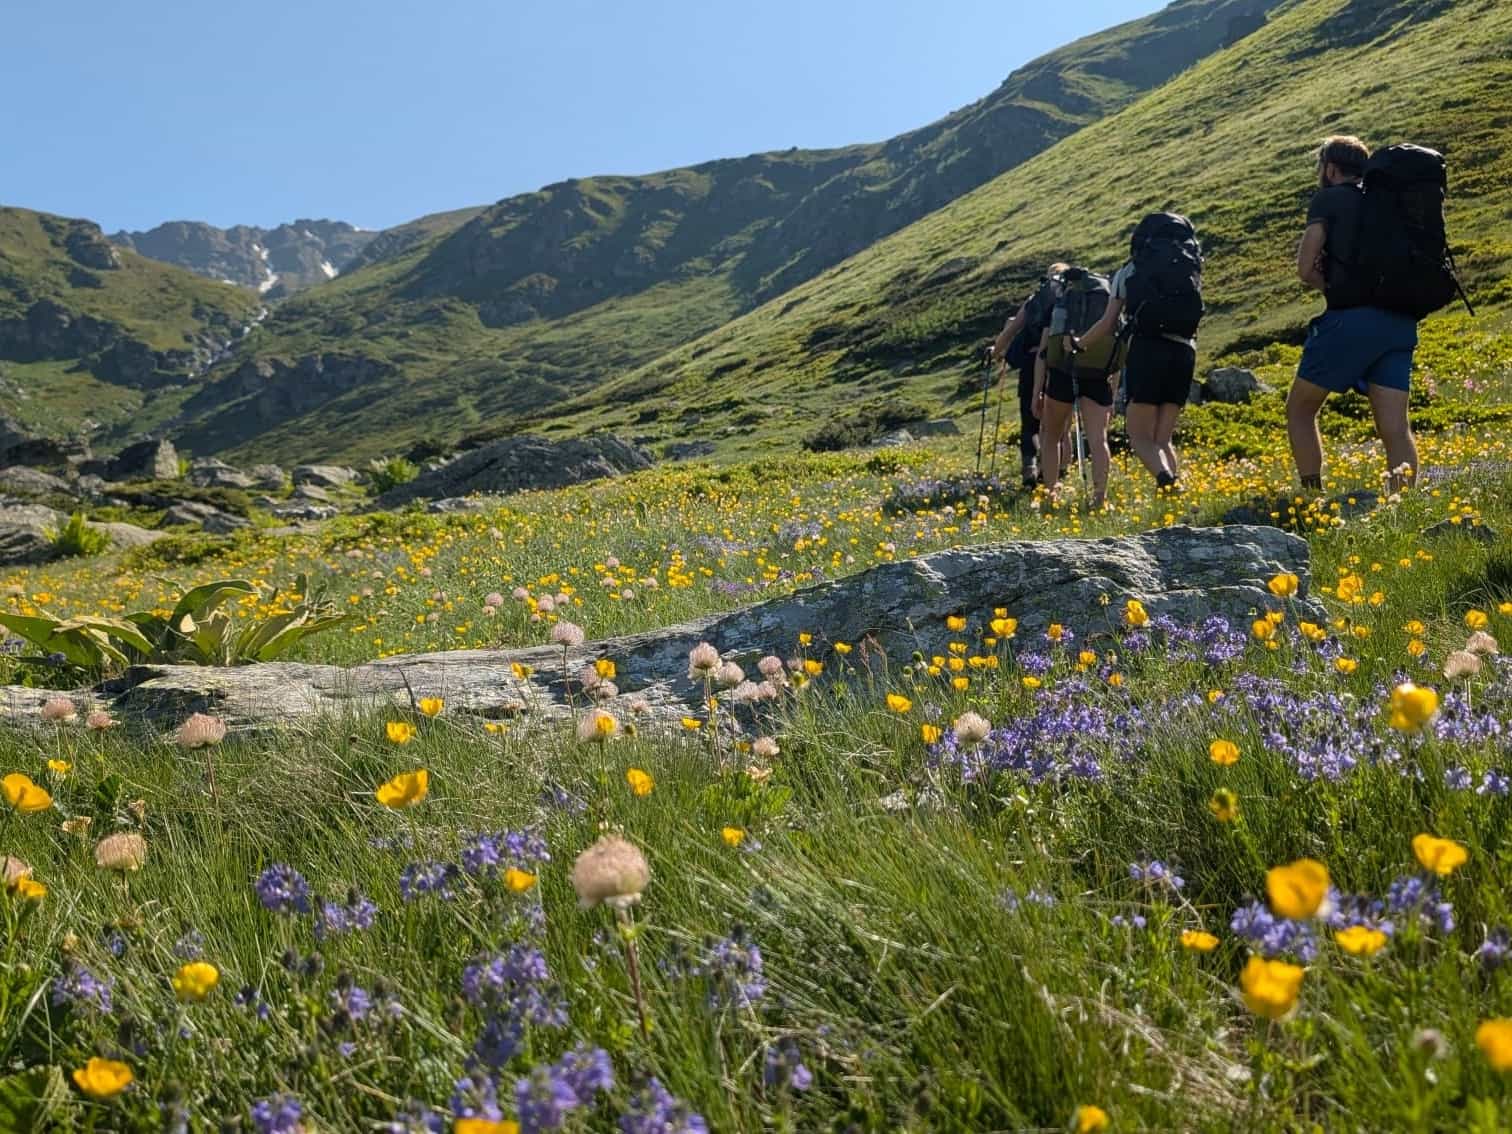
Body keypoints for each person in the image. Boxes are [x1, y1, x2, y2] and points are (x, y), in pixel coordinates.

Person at [1287, 135, 1420, 493]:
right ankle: (1403, 505)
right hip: (1399, 322)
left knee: (1300, 410)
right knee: (1395, 426)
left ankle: (1312, 499)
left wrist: (1331, 287)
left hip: (1350, 321)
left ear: (1330, 169)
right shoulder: (1386, 201)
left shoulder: (1327, 199)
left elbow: (1304, 268)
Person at [1072, 218, 1201, 492]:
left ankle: (1166, 481)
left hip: (1148, 350)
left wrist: (1080, 344)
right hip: (1185, 350)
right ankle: (1173, 494)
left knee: (1140, 436)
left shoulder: (1129, 272)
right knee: (1163, 438)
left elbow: (1108, 323)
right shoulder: (1189, 267)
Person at [1034, 269, 1119, 509]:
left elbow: (1043, 353)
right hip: (1097, 373)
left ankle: (1051, 496)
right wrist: (1113, 390)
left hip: (1063, 371)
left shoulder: (1061, 303)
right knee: (1098, 439)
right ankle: (1099, 499)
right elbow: (1116, 353)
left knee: (1051, 436)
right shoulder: (1104, 301)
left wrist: (1037, 392)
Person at [991, 263, 1068, 487]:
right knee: (1057, 424)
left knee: (1029, 422)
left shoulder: (1035, 299)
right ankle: (1055, 471)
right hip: (1061, 365)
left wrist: (996, 353)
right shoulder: (1074, 299)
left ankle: (1029, 468)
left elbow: (1009, 332)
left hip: (1031, 364)